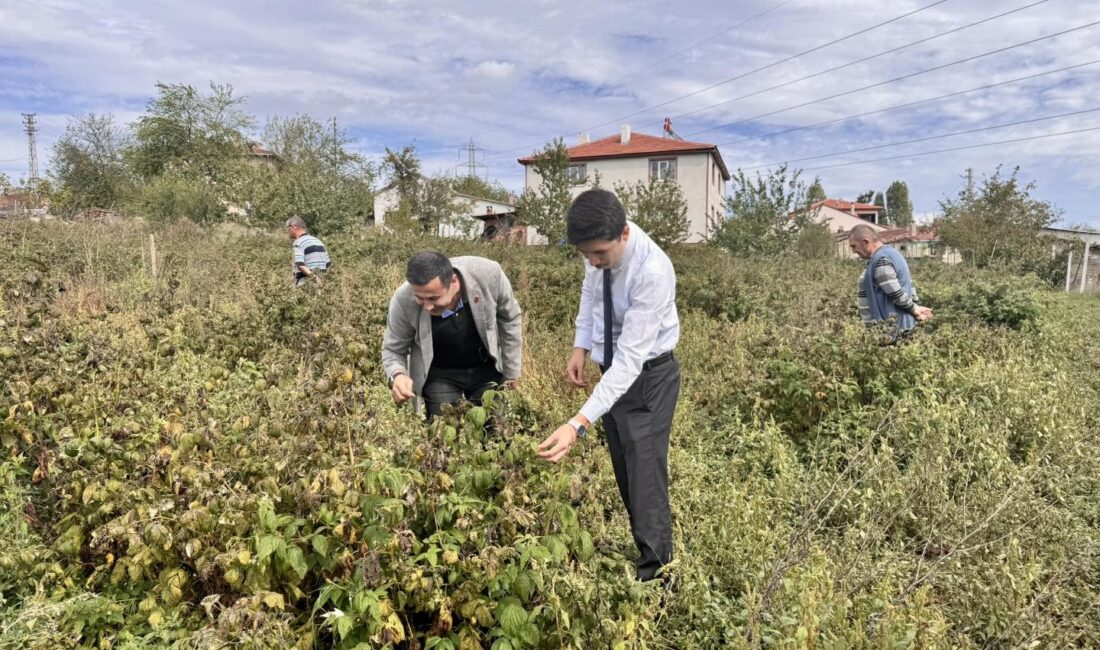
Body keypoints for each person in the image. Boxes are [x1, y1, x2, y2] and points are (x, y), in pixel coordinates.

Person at [537, 189, 680, 582]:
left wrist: (577, 424)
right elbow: (590, 296)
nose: (593, 262)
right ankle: (644, 548)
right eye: (586, 255)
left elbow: (631, 361)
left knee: (645, 474)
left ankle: (658, 575)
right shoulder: (597, 253)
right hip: (612, 370)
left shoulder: (652, 272)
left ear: (624, 235)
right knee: (624, 465)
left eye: (600, 254)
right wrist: (580, 346)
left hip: (648, 377)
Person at [382, 251, 523, 418]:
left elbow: (509, 319)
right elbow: (393, 349)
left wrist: (512, 370)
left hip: (486, 367)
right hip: (439, 373)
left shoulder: (489, 275)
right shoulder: (404, 298)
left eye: (434, 298)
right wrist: (398, 375)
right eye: (420, 298)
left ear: (454, 283)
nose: (427, 306)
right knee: (444, 434)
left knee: (496, 430)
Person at [848, 224, 933, 341]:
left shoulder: (881, 260)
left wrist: (914, 309)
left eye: (854, 246)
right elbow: (909, 284)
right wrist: (915, 308)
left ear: (865, 241)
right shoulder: (890, 254)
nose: (853, 251)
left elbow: (895, 292)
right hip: (894, 328)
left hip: (891, 331)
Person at [286, 216, 331, 286]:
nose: (287, 230)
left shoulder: (298, 242)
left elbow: (300, 265)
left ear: (293, 226)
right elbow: (328, 265)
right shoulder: (318, 241)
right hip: (322, 286)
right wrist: (322, 282)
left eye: (287, 227)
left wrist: (315, 278)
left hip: (306, 285)